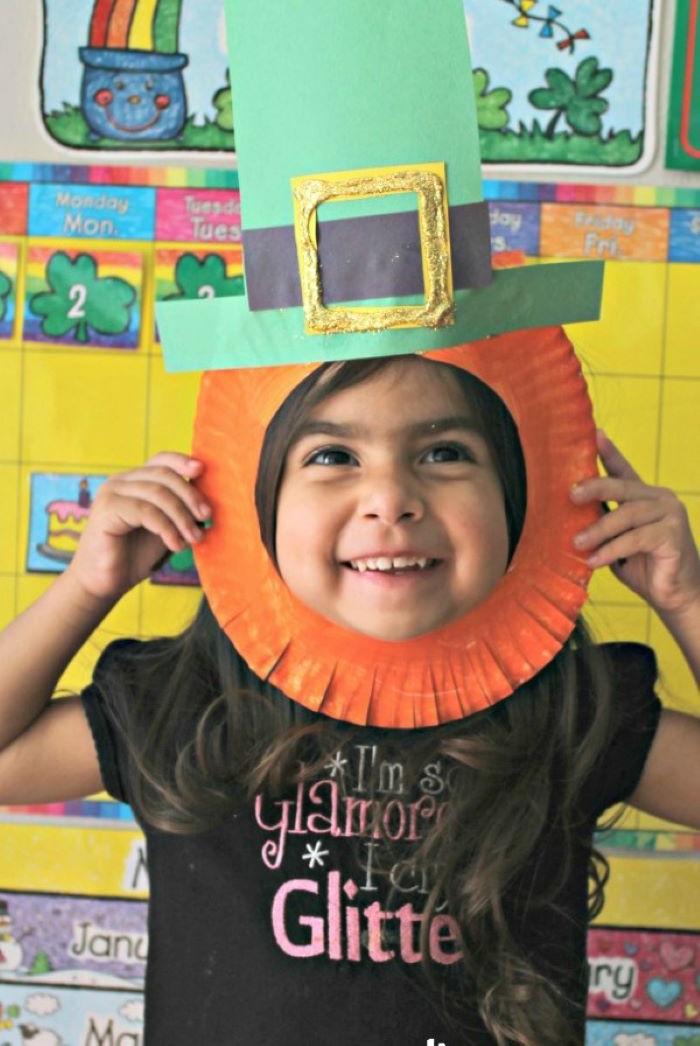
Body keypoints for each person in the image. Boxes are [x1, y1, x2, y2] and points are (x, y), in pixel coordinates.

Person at [0, 352, 698, 1046]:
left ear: (518, 497)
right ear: (256, 498)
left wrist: (687, 604)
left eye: (445, 451)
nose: (390, 497)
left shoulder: (569, 711)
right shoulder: (191, 702)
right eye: (333, 455)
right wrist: (86, 587)